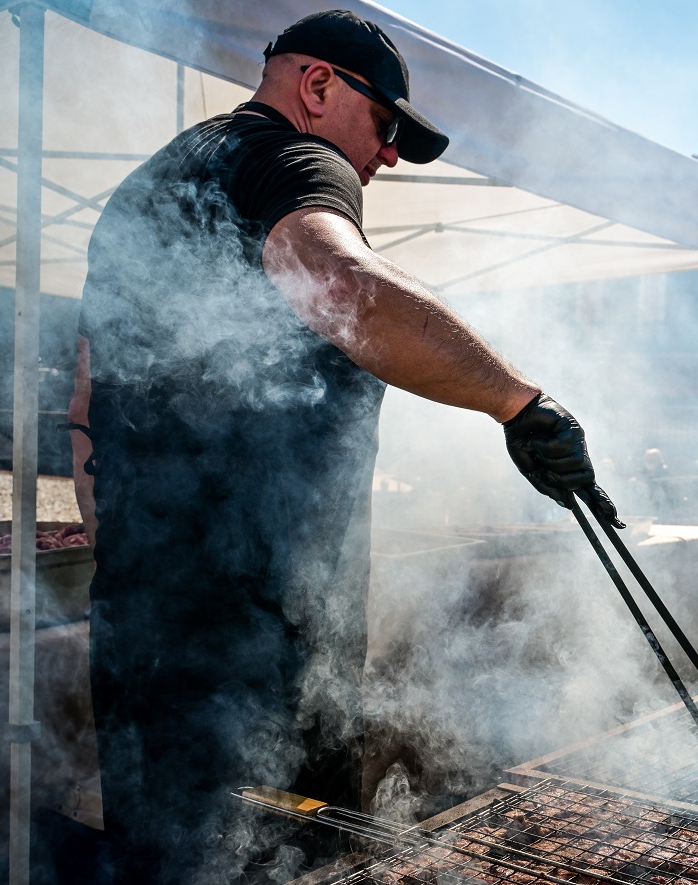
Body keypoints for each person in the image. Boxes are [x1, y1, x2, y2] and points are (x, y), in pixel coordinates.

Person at [66, 11, 618, 883]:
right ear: (317, 86)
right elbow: (340, 284)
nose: (389, 153)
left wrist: (121, 532)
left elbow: (88, 385)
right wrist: (520, 404)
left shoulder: (151, 181)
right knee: (285, 866)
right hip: (263, 646)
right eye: (386, 123)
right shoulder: (293, 158)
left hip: (141, 624)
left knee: (159, 854)